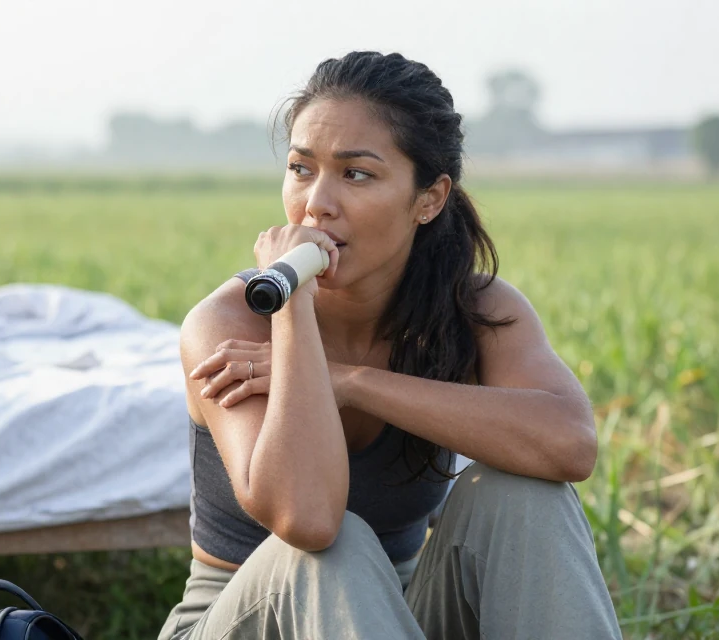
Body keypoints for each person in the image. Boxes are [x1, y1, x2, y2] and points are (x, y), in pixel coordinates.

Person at [158, 51, 622, 640]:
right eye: (301, 168)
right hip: (249, 617)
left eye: (356, 174)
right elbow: (308, 517)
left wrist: (352, 382)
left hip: (393, 619)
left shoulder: (473, 310)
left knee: (522, 495)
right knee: (335, 545)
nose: (316, 203)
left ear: (429, 199)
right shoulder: (231, 322)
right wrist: (292, 303)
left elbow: (570, 445)